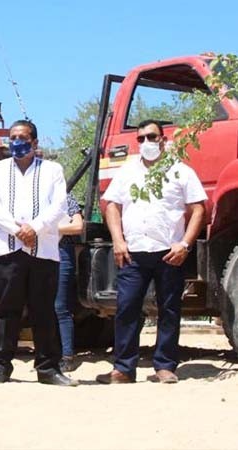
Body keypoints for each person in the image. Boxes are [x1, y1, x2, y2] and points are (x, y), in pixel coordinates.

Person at [96, 119, 206, 384]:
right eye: (141, 138)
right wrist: (118, 241)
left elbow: (199, 208)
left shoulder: (180, 171)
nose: (146, 143)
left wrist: (185, 244)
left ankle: (165, 366)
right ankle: (123, 368)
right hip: (133, 252)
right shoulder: (127, 171)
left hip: (169, 252)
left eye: (151, 137)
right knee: (126, 308)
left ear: (163, 139)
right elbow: (111, 205)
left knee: (169, 309)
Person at [0, 119, 77, 387]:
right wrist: (17, 230)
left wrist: (34, 228)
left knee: (44, 310)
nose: (17, 142)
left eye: (22, 137)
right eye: (12, 137)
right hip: (7, 248)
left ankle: (48, 368)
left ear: (34, 142)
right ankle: (0, 366)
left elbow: (59, 205)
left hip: (43, 249)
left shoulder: (52, 170)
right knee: (7, 309)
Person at [56, 194, 83, 372]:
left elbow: (78, 225)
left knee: (60, 306)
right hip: (39, 251)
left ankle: (67, 355)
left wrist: (52, 228)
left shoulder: (66, 197)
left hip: (62, 251)